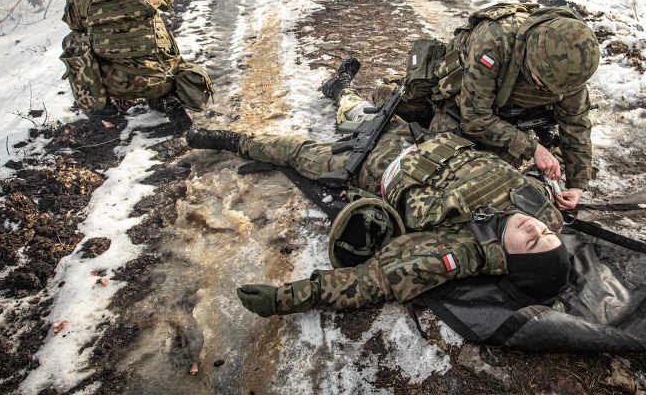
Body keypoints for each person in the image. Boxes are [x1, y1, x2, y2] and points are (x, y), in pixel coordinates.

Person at [184, 86, 572, 317]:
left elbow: (376, 280)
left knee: (298, 152)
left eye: (533, 242)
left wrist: (289, 297)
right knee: (358, 111)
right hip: (419, 137)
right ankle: (338, 89)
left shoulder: (460, 248)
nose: (535, 228)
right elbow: (547, 213)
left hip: (374, 164)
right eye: (546, 232)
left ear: (510, 259)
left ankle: (232, 140)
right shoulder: (541, 210)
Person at [343, 3, 600, 210]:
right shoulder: (495, 40)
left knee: (488, 175)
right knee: (431, 156)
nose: (544, 92)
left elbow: (576, 124)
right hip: (456, 103)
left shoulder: (570, 66)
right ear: (528, 55)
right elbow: (475, 119)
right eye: (538, 83)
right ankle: (349, 94)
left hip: (502, 113)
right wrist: (532, 148)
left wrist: (577, 184)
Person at [60, 0, 214, 132]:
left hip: (116, 84)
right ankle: (163, 98)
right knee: (155, 20)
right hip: (162, 78)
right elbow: (168, 0)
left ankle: (102, 111)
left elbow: (75, 23)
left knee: (74, 41)